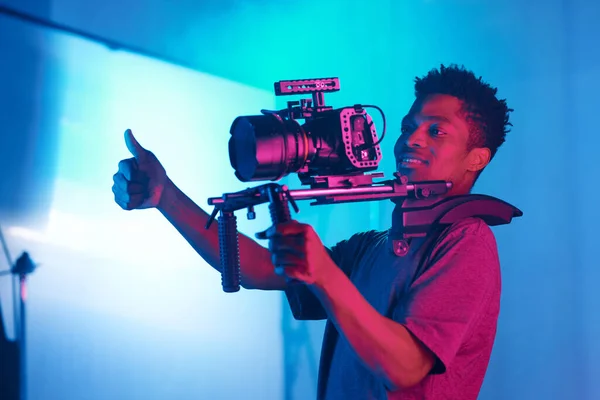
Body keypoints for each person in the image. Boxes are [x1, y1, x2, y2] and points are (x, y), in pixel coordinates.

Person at [112, 64, 513, 399]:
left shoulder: (466, 240)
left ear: (477, 158)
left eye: (436, 131)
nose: (411, 138)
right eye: (410, 126)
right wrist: (165, 196)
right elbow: (257, 267)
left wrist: (324, 273)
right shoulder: (373, 247)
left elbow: (405, 367)